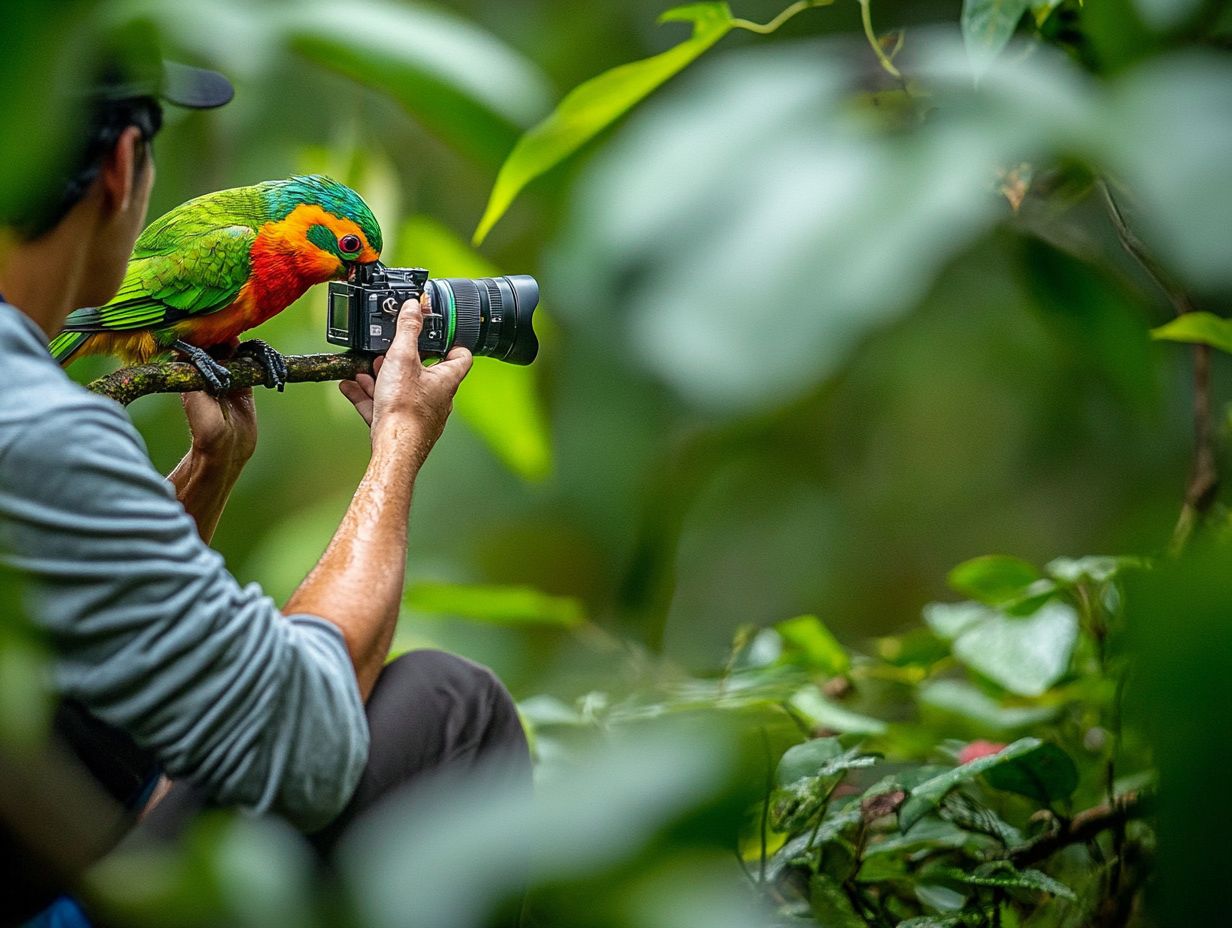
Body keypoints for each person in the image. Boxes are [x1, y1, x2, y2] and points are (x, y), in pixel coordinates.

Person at [0, 35, 530, 928]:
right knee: (452, 702)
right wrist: (397, 442)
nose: (358, 272)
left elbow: (108, 627)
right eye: (349, 253)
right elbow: (304, 736)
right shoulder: (43, 423)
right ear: (121, 170)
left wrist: (210, 469)